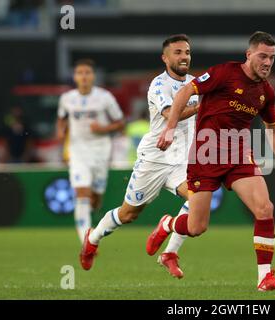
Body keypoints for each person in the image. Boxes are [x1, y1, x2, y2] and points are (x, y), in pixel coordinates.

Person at [149, 31, 275, 292]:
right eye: (263, 56)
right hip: (206, 154)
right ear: (249, 54)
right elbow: (187, 90)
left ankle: (264, 278)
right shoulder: (224, 72)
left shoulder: (266, 92)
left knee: (265, 209)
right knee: (196, 227)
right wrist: (171, 127)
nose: (267, 62)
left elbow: (273, 128)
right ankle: (168, 224)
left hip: (239, 155)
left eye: (272, 58)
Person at [79, 34, 199, 279]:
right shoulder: (159, 85)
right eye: (177, 52)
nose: (184, 56)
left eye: (186, 52)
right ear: (165, 58)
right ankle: (92, 239)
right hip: (155, 158)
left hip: (182, 159)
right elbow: (170, 114)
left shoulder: (197, 83)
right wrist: (202, 106)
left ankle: (170, 253)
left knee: (199, 201)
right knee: (128, 214)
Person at [56, 59, 125, 243]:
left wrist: (102, 129)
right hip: (78, 151)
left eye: (87, 73)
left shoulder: (105, 97)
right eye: (80, 73)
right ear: (75, 76)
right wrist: (60, 130)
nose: (84, 76)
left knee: (95, 198)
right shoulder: (66, 98)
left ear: (93, 76)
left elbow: (120, 123)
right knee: (82, 192)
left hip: (101, 150)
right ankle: (86, 242)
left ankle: (94, 212)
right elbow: (62, 118)